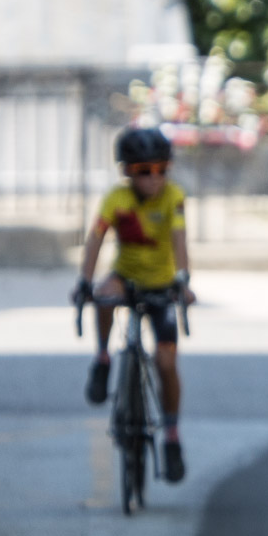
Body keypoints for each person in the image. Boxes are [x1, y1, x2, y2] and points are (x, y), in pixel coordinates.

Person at [74, 126, 193, 483]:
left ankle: (171, 435)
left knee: (166, 362)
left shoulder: (173, 196)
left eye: (161, 169)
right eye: (144, 171)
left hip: (161, 284)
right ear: (127, 171)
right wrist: (84, 281)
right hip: (126, 277)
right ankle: (103, 357)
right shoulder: (116, 199)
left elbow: (179, 239)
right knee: (103, 293)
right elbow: (96, 238)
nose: (154, 179)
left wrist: (183, 280)